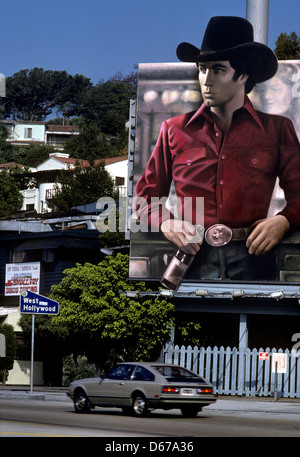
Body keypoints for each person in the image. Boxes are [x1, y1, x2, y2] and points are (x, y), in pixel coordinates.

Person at [135, 16, 300, 282]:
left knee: (255, 321)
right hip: (190, 259)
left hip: (254, 259)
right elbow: (144, 197)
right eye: (202, 69)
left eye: (218, 70)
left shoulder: (277, 130)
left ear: (243, 75)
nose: (206, 80)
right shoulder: (173, 130)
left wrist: (283, 220)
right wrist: (166, 222)